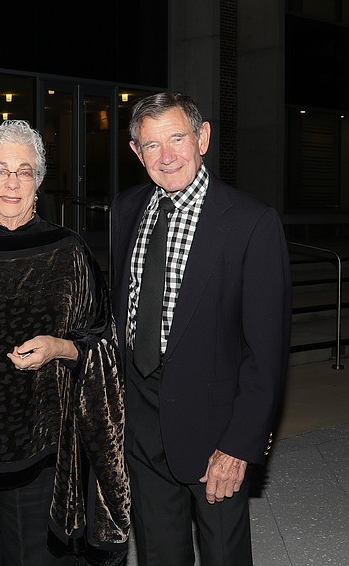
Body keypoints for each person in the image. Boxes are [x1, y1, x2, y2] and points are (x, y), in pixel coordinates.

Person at [0, 120, 130, 566]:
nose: (12, 182)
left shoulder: (69, 251)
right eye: (0, 170)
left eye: (24, 171)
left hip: (45, 449)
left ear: (39, 180)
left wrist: (59, 347)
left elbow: (104, 343)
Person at [110, 91, 291, 565]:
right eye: (152, 145)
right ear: (136, 152)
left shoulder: (251, 222)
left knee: (223, 554)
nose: (166, 156)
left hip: (215, 430)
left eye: (177, 138)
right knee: (158, 552)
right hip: (140, 423)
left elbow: (266, 352)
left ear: (202, 138)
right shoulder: (126, 209)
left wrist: (238, 445)